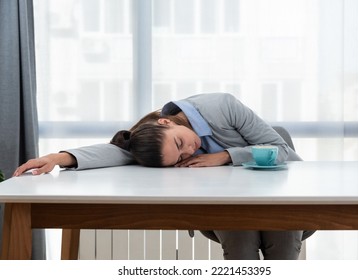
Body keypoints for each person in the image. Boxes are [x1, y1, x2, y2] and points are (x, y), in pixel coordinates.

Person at [14, 93, 314, 260]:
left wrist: (225, 156)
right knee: (241, 243)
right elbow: (116, 151)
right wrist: (56, 158)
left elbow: (279, 148)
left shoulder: (222, 106)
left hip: (280, 193)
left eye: (181, 143)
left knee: (283, 240)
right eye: (181, 158)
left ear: (166, 121)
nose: (189, 151)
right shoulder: (153, 141)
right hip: (228, 204)